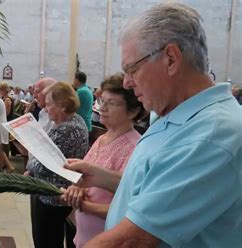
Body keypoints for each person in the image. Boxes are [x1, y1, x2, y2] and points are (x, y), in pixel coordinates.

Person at [65, 3, 242, 247]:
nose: (127, 82)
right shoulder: (170, 113)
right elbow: (155, 187)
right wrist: (101, 177)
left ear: (171, 59)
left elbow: (133, 239)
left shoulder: (212, 135)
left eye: (132, 69)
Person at [61, 73, 144, 247]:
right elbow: (85, 180)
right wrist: (77, 190)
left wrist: (83, 205)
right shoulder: (102, 138)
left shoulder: (134, 148)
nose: (102, 108)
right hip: (83, 238)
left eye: (112, 103)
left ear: (133, 111)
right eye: (101, 101)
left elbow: (128, 208)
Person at [28, 82, 88, 248]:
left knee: (46, 242)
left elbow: (42, 165)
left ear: (62, 105)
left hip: (53, 197)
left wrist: (31, 166)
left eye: (48, 105)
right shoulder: (72, 121)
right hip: (53, 193)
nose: (46, 109)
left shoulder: (67, 128)